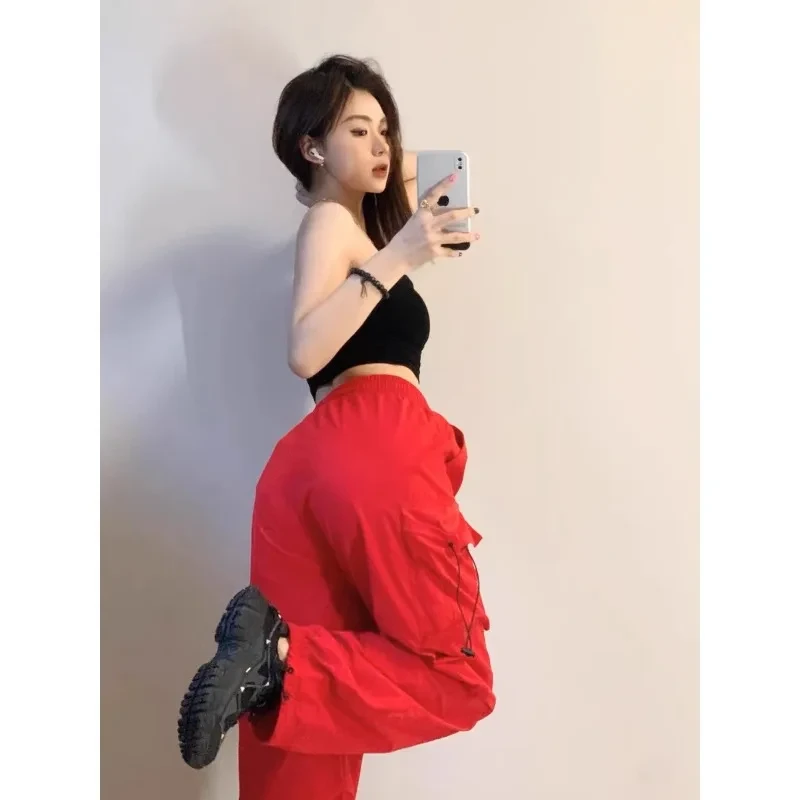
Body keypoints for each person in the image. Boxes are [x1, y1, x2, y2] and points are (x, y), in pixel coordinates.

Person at [177, 54, 494, 799]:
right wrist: (403, 251)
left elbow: (424, 163)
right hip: (374, 444)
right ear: (311, 147)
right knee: (456, 674)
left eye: (385, 129)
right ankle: (278, 663)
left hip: (309, 472)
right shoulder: (331, 224)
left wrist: (374, 147)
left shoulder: (347, 224)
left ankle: (273, 661)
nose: (382, 144)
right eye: (359, 129)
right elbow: (303, 350)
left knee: (306, 747)